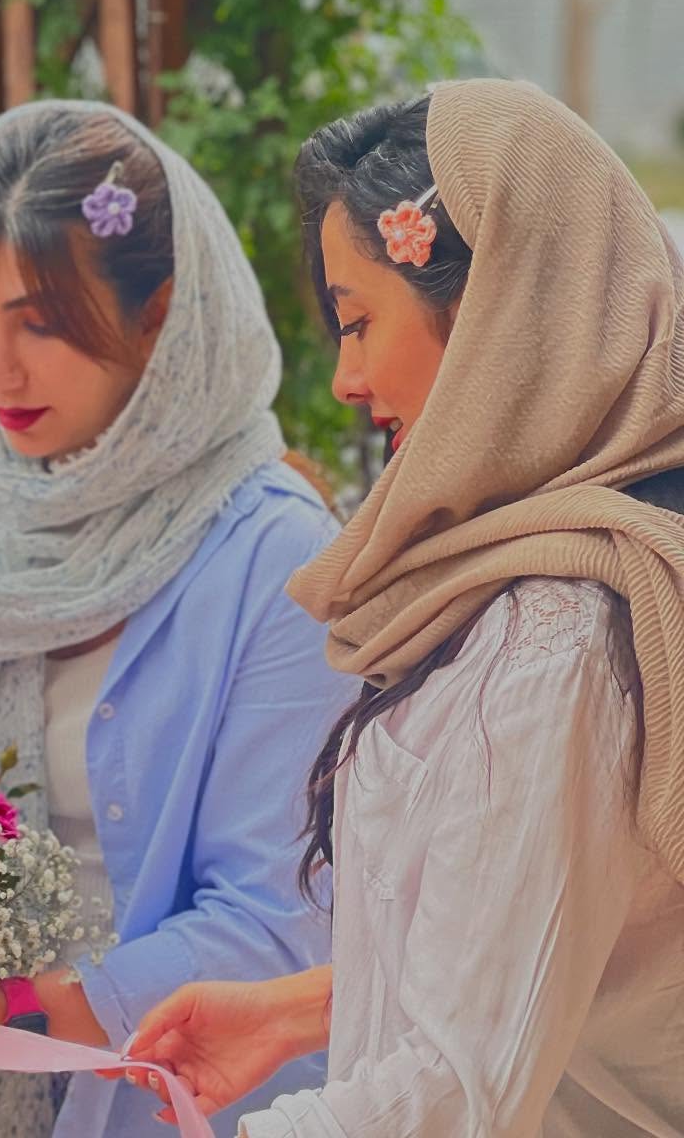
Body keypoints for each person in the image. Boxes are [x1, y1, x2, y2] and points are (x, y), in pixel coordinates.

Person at [124, 79, 684, 1135]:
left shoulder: (559, 635)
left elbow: (459, 1095)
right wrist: (302, 1011)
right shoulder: (534, 576)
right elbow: (543, 957)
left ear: (491, 319)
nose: (346, 377)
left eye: (358, 321)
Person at [0, 101, 347, 1138]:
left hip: (170, 1102)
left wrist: (3, 1013)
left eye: (40, 323)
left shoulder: (275, 555)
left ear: (158, 317)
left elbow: (282, 918)